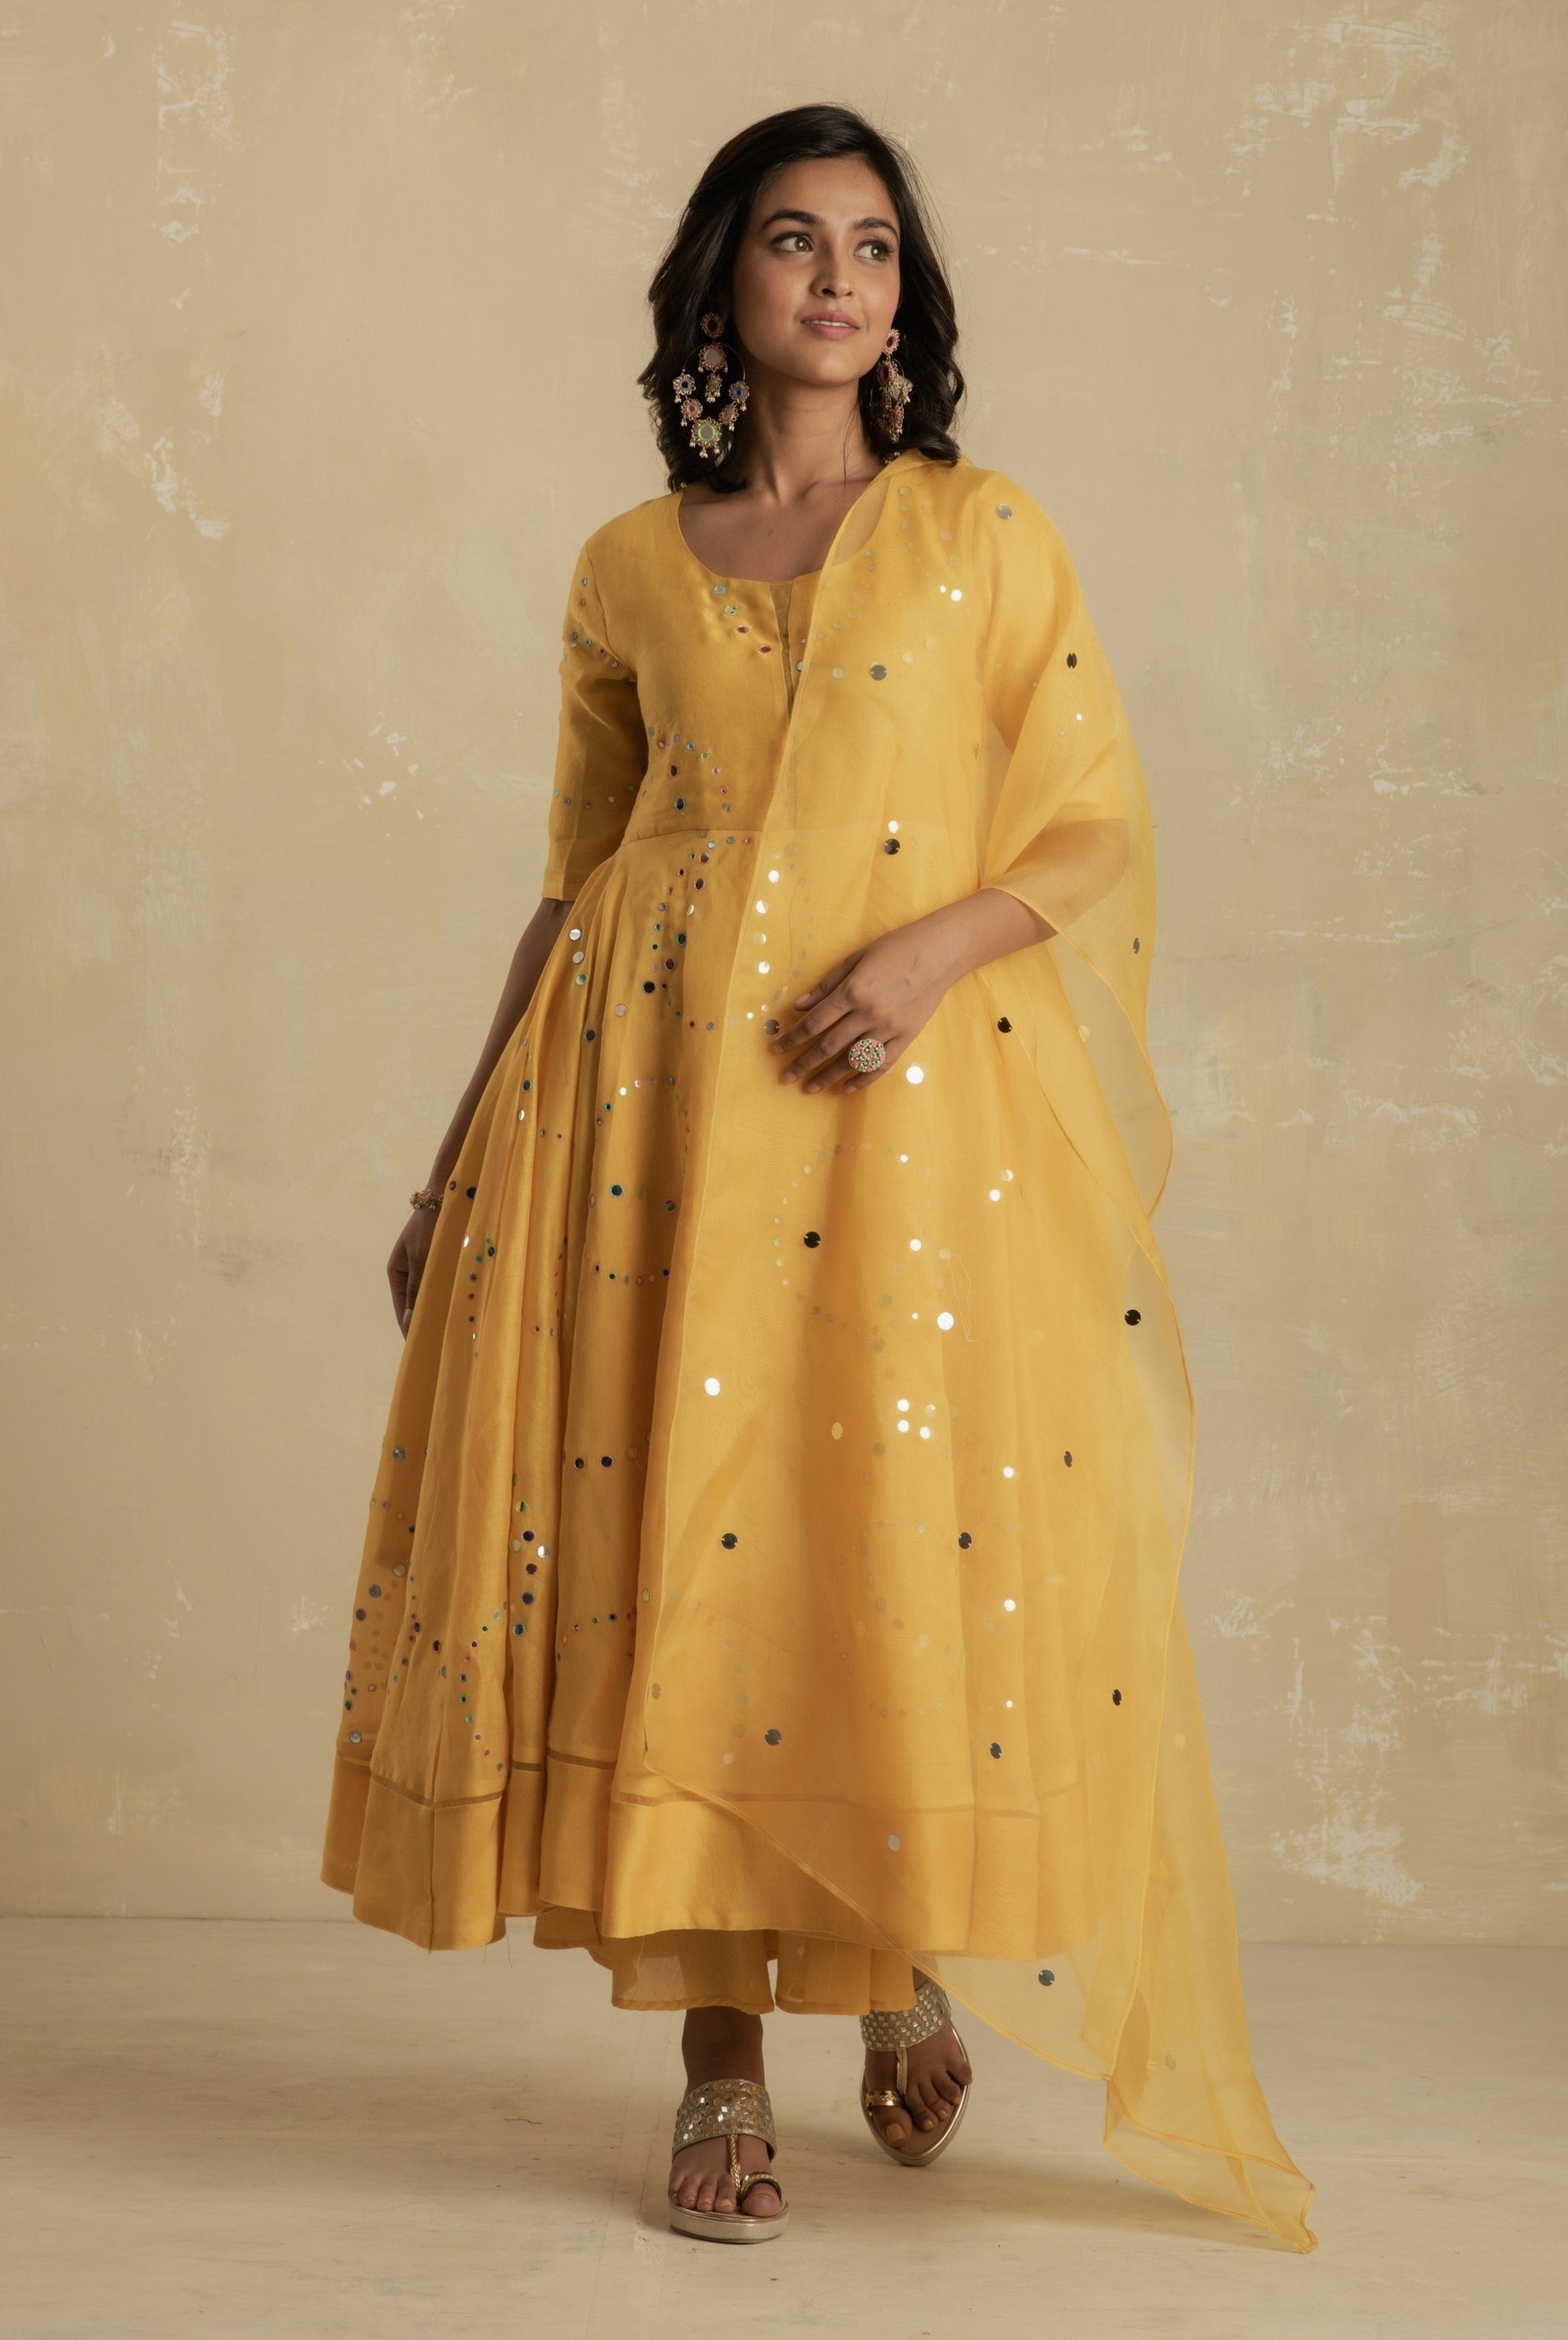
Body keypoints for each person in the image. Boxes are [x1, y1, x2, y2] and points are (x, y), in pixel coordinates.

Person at [320, 102, 1316, 2254]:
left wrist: (924, 958)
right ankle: (718, 2066)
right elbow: (576, 875)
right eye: (794, 240)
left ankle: (892, 1955)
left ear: (906, 297)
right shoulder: (628, 562)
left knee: (867, 1528)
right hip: (647, 1118)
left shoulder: (980, 535)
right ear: (723, 283)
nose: (840, 278)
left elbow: (1092, 817)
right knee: (676, 1549)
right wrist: (448, 1166)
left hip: (893, 1117)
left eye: (873, 245)